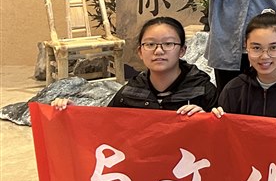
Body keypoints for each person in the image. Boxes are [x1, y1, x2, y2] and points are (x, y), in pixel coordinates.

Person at [53, 17, 216, 115]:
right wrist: (73, 113)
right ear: (140, 52)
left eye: (168, 44)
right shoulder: (130, 93)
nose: (159, 51)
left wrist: (206, 120)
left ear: (182, 51)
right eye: (150, 44)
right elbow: (106, 127)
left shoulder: (203, 90)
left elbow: (221, 138)